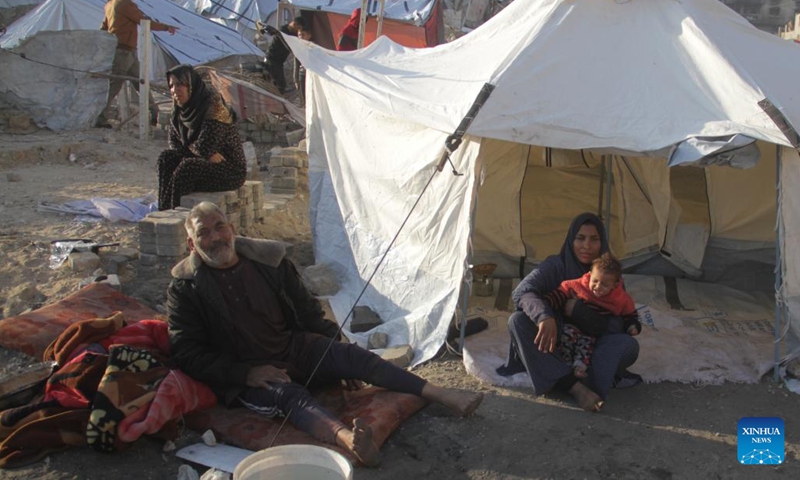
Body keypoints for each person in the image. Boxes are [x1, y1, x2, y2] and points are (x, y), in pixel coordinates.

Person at [167, 202, 484, 467]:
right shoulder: (185, 289)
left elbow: (308, 314)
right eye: (203, 233)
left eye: (219, 227)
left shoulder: (270, 263)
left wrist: (335, 358)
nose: (215, 238)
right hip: (248, 373)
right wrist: (245, 374)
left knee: (350, 355)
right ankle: (351, 440)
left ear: (232, 229)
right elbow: (187, 352)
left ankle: (442, 394)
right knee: (288, 395)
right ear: (192, 245)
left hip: (292, 347)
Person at [496, 212, 641, 412]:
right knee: (518, 321)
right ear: (571, 239)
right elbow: (522, 292)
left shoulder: (610, 274)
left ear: (602, 242)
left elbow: (618, 323)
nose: (587, 246)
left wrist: (581, 312)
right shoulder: (556, 265)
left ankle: (559, 375)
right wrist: (544, 316)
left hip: (592, 344)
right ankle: (575, 387)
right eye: (580, 238)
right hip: (556, 342)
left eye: (594, 239)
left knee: (628, 345)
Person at [156, 65, 246, 211]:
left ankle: (175, 213)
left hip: (228, 169)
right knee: (166, 158)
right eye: (171, 86)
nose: (175, 90)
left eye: (180, 84)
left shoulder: (214, 106)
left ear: (191, 85)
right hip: (202, 162)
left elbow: (205, 146)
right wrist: (202, 152)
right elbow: (174, 144)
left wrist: (199, 151)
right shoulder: (179, 109)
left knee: (188, 167)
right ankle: (164, 211)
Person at [544, 252, 641, 378]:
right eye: (595, 281)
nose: (598, 287)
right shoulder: (579, 285)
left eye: (605, 284)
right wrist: (546, 302)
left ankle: (579, 368)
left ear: (615, 285)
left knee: (586, 348)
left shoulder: (620, 299)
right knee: (566, 338)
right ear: (589, 275)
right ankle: (564, 364)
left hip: (592, 333)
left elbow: (629, 313)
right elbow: (562, 292)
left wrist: (632, 326)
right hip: (573, 325)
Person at [96, 0, 177, 128]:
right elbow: (143, 21)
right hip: (124, 51)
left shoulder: (110, 5)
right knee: (115, 86)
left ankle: (155, 114)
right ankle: (100, 117)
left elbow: (103, 28)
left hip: (125, 51)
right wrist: (165, 27)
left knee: (141, 83)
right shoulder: (124, 4)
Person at [261, 16, 304, 94]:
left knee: (280, 84)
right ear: (294, 24)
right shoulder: (282, 32)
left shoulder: (292, 34)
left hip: (279, 62)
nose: (298, 31)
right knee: (279, 84)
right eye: (298, 28)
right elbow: (288, 46)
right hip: (272, 60)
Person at [293, 27, 313, 106]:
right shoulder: (298, 48)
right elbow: (296, 64)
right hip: (302, 75)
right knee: (303, 97)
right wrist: (296, 79)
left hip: (312, 75)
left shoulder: (313, 47)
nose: (301, 37)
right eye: (299, 35)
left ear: (309, 35)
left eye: (303, 35)